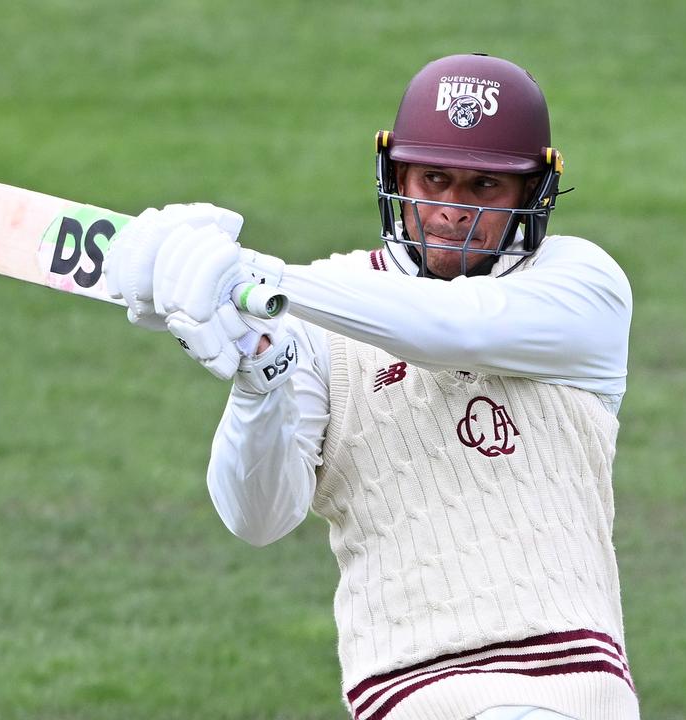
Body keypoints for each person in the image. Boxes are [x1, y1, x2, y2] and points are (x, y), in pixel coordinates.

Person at [105, 53, 638, 720]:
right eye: (434, 178)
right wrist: (259, 381)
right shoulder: (313, 314)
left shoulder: (582, 287)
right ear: (396, 174)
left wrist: (258, 277)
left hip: (568, 690)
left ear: (533, 193)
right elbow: (258, 518)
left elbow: (453, 329)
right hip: (407, 693)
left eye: (483, 187)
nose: (450, 210)